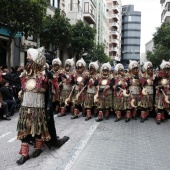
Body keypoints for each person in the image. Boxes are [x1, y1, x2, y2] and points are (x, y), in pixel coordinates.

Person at [16, 47, 69, 165]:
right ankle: (24, 155)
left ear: (36, 61)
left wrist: (44, 86)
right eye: (28, 60)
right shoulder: (25, 73)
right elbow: (22, 85)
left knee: (38, 128)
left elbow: (54, 84)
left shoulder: (45, 74)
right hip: (25, 106)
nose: (28, 63)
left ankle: (38, 149)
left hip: (39, 107)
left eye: (30, 60)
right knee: (24, 129)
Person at [154, 60, 170, 124]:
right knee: (160, 105)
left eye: (168, 69)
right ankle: (158, 118)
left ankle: (163, 116)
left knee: (166, 106)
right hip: (160, 93)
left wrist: (167, 87)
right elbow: (155, 84)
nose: (167, 70)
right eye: (165, 68)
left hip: (168, 93)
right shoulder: (159, 76)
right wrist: (158, 87)